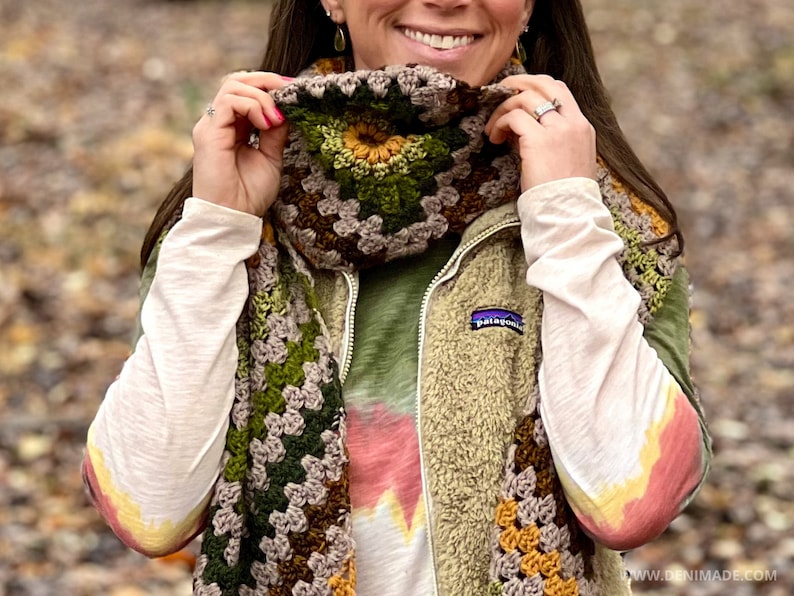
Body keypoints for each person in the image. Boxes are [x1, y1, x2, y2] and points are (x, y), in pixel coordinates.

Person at [83, 0, 712, 594]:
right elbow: (150, 511)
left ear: (527, 7)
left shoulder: (612, 225)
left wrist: (566, 214)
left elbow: (634, 504)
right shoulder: (225, 219)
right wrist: (218, 230)